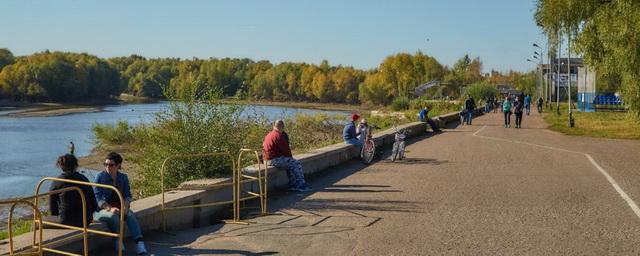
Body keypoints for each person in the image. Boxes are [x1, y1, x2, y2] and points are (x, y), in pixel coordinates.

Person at [93, 152, 147, 255]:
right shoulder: (100, 176)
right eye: (106, 164)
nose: (108, 167)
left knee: (130, 215)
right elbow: (98, 197)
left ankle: (139, 243)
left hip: (119, 206)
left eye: (111, 165)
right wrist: (109, 208)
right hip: (101, 210)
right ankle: (117, 240)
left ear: (118, 166)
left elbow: (127, 195)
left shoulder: (123, 177)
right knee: (114, 216)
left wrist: (125, 206)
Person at [46, 154, 97, 228]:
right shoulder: (84, 179)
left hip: (66, 220)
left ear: (61, 166)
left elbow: (53, 208)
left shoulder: (57, 181)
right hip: (86, 220)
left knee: (37, 222)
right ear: (76, 166)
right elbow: (94, 204)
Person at [262, 120, 311, 192]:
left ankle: (293, 184)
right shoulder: (278, 135)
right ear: (282, 126)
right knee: (296, 163)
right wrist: (290, 158)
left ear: (274, 126)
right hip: (273, 160)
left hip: (267, 159)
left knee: (290, 163)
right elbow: (286, 151)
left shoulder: (270, 134)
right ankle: (301, 185)